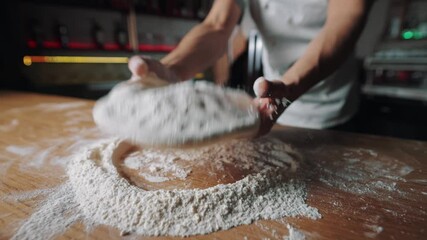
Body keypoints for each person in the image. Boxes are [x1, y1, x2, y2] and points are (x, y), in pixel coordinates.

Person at [127, 0, 373, 136]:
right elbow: (216, 25)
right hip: (269, 109)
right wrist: (172, 70)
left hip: (332, 111)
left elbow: (346, 19)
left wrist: (290, 86)